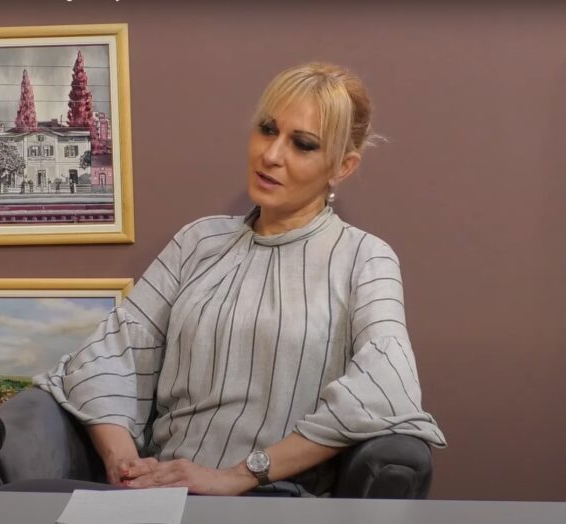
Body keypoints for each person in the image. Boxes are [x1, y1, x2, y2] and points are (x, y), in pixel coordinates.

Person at [33, 62, 446, 497]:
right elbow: (110, 355)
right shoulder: (198, 240)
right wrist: (125, 464)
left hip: (272, 501)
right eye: (268, 129)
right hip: (157, 494)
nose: (271, 155)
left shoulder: (365, 258)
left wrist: (236, 476)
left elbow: (386, 388)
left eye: (303, 144)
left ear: (342, 167)